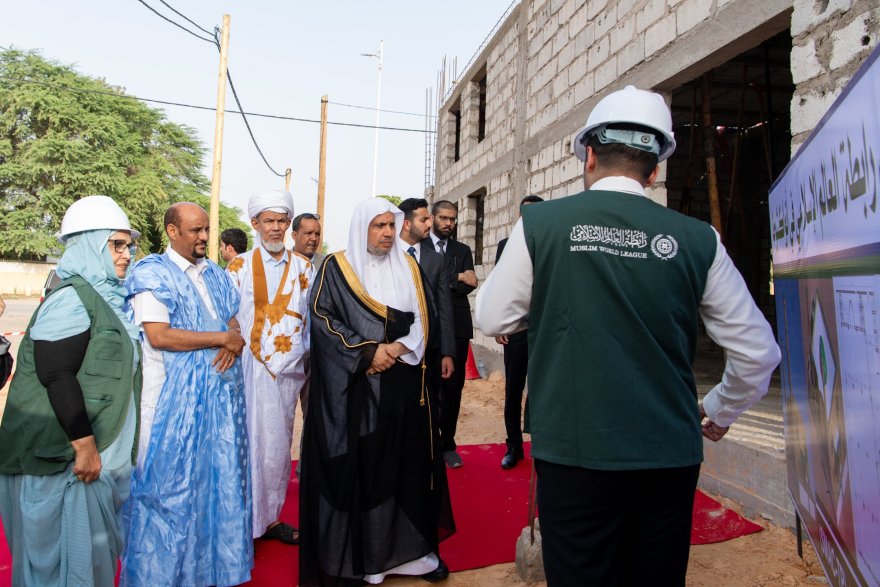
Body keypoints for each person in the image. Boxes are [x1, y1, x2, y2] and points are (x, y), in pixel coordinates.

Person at [475, 85, 781, 586]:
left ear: (589, 155)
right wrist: (721, 408)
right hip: (668, 454)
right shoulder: (700, 240)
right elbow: (758, 353)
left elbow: (491, 318)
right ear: (655, 168)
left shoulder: (541, 224)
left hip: (574, 452)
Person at [299, 198, 455, 586]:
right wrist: (368, 352)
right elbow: (322, 319)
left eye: (391, 225)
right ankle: (370, 558)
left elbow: (425, 315)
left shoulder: (409, 265)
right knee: (369, 468)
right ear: (362, 227)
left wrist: (397, 349)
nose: (387, 233)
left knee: (406, 464)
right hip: (357, 387)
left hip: (404, 382)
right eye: (378, 226)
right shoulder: (337, 268)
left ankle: (410, 552)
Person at [0, 195, 141, 587]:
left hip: (90, 460)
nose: (127, 254)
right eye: (117, 244)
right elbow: (56, 373)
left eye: (129, 245)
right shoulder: (72, 299)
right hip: (64, 461)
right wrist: (84, 446)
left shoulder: (104, 297)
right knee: (65, 569)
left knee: (88, 568)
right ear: (89, 245)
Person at [122, 202, 252, 586]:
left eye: (207, 229)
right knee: (166, 493)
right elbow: (160, 335)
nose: (205, 237)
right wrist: (220, 339)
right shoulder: (152, 273)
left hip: (219, 403)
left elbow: (232, 318)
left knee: (215, 487)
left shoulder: (214, 272)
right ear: (172, 232)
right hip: (169, 405)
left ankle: (205, 572)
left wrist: (231, 341)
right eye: (195, 230)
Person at [227, 188, 310, 545]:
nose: (275, 228)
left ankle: (271, 518)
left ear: (289, 224)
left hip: (288, 373)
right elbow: (225, 312)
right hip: (246, 370)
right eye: (269, 221)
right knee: (244, 444)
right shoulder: (239, 266)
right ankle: (243, 520)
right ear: (255, 223)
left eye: (281, 221)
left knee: (277, 448)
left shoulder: (305, 268)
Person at [494, 194, 543, 469]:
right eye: (526, 213)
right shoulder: (506, 245)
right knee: (513, 390)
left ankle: (542, 444)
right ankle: (513, 446)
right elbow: (502, 285)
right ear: (519, 215)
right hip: (515, 331)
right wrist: (502, 323)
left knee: (541, 389)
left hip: (545, 330)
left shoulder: (552, 243)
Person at [429, 200, 477, 468]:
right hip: (428, 329)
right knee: (429, 388)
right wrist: (457, 277)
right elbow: (427, 283)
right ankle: (429, 444)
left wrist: (449, 280)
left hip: (458, 328)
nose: (448, 223)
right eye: (444, 218)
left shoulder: (462, 250)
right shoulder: (422, 247)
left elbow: (471, 285)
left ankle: (448, 444)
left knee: (453, 389)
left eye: (453, 219)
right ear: (433, 217)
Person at [398, 198, 455, 389]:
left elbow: (444, 308)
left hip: (427, 352)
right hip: (394, 352)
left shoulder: (436, 260)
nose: (430, 224)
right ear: (406, 224)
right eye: (424, 220)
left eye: (429, 219)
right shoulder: (389, 255)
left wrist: (447, 353)